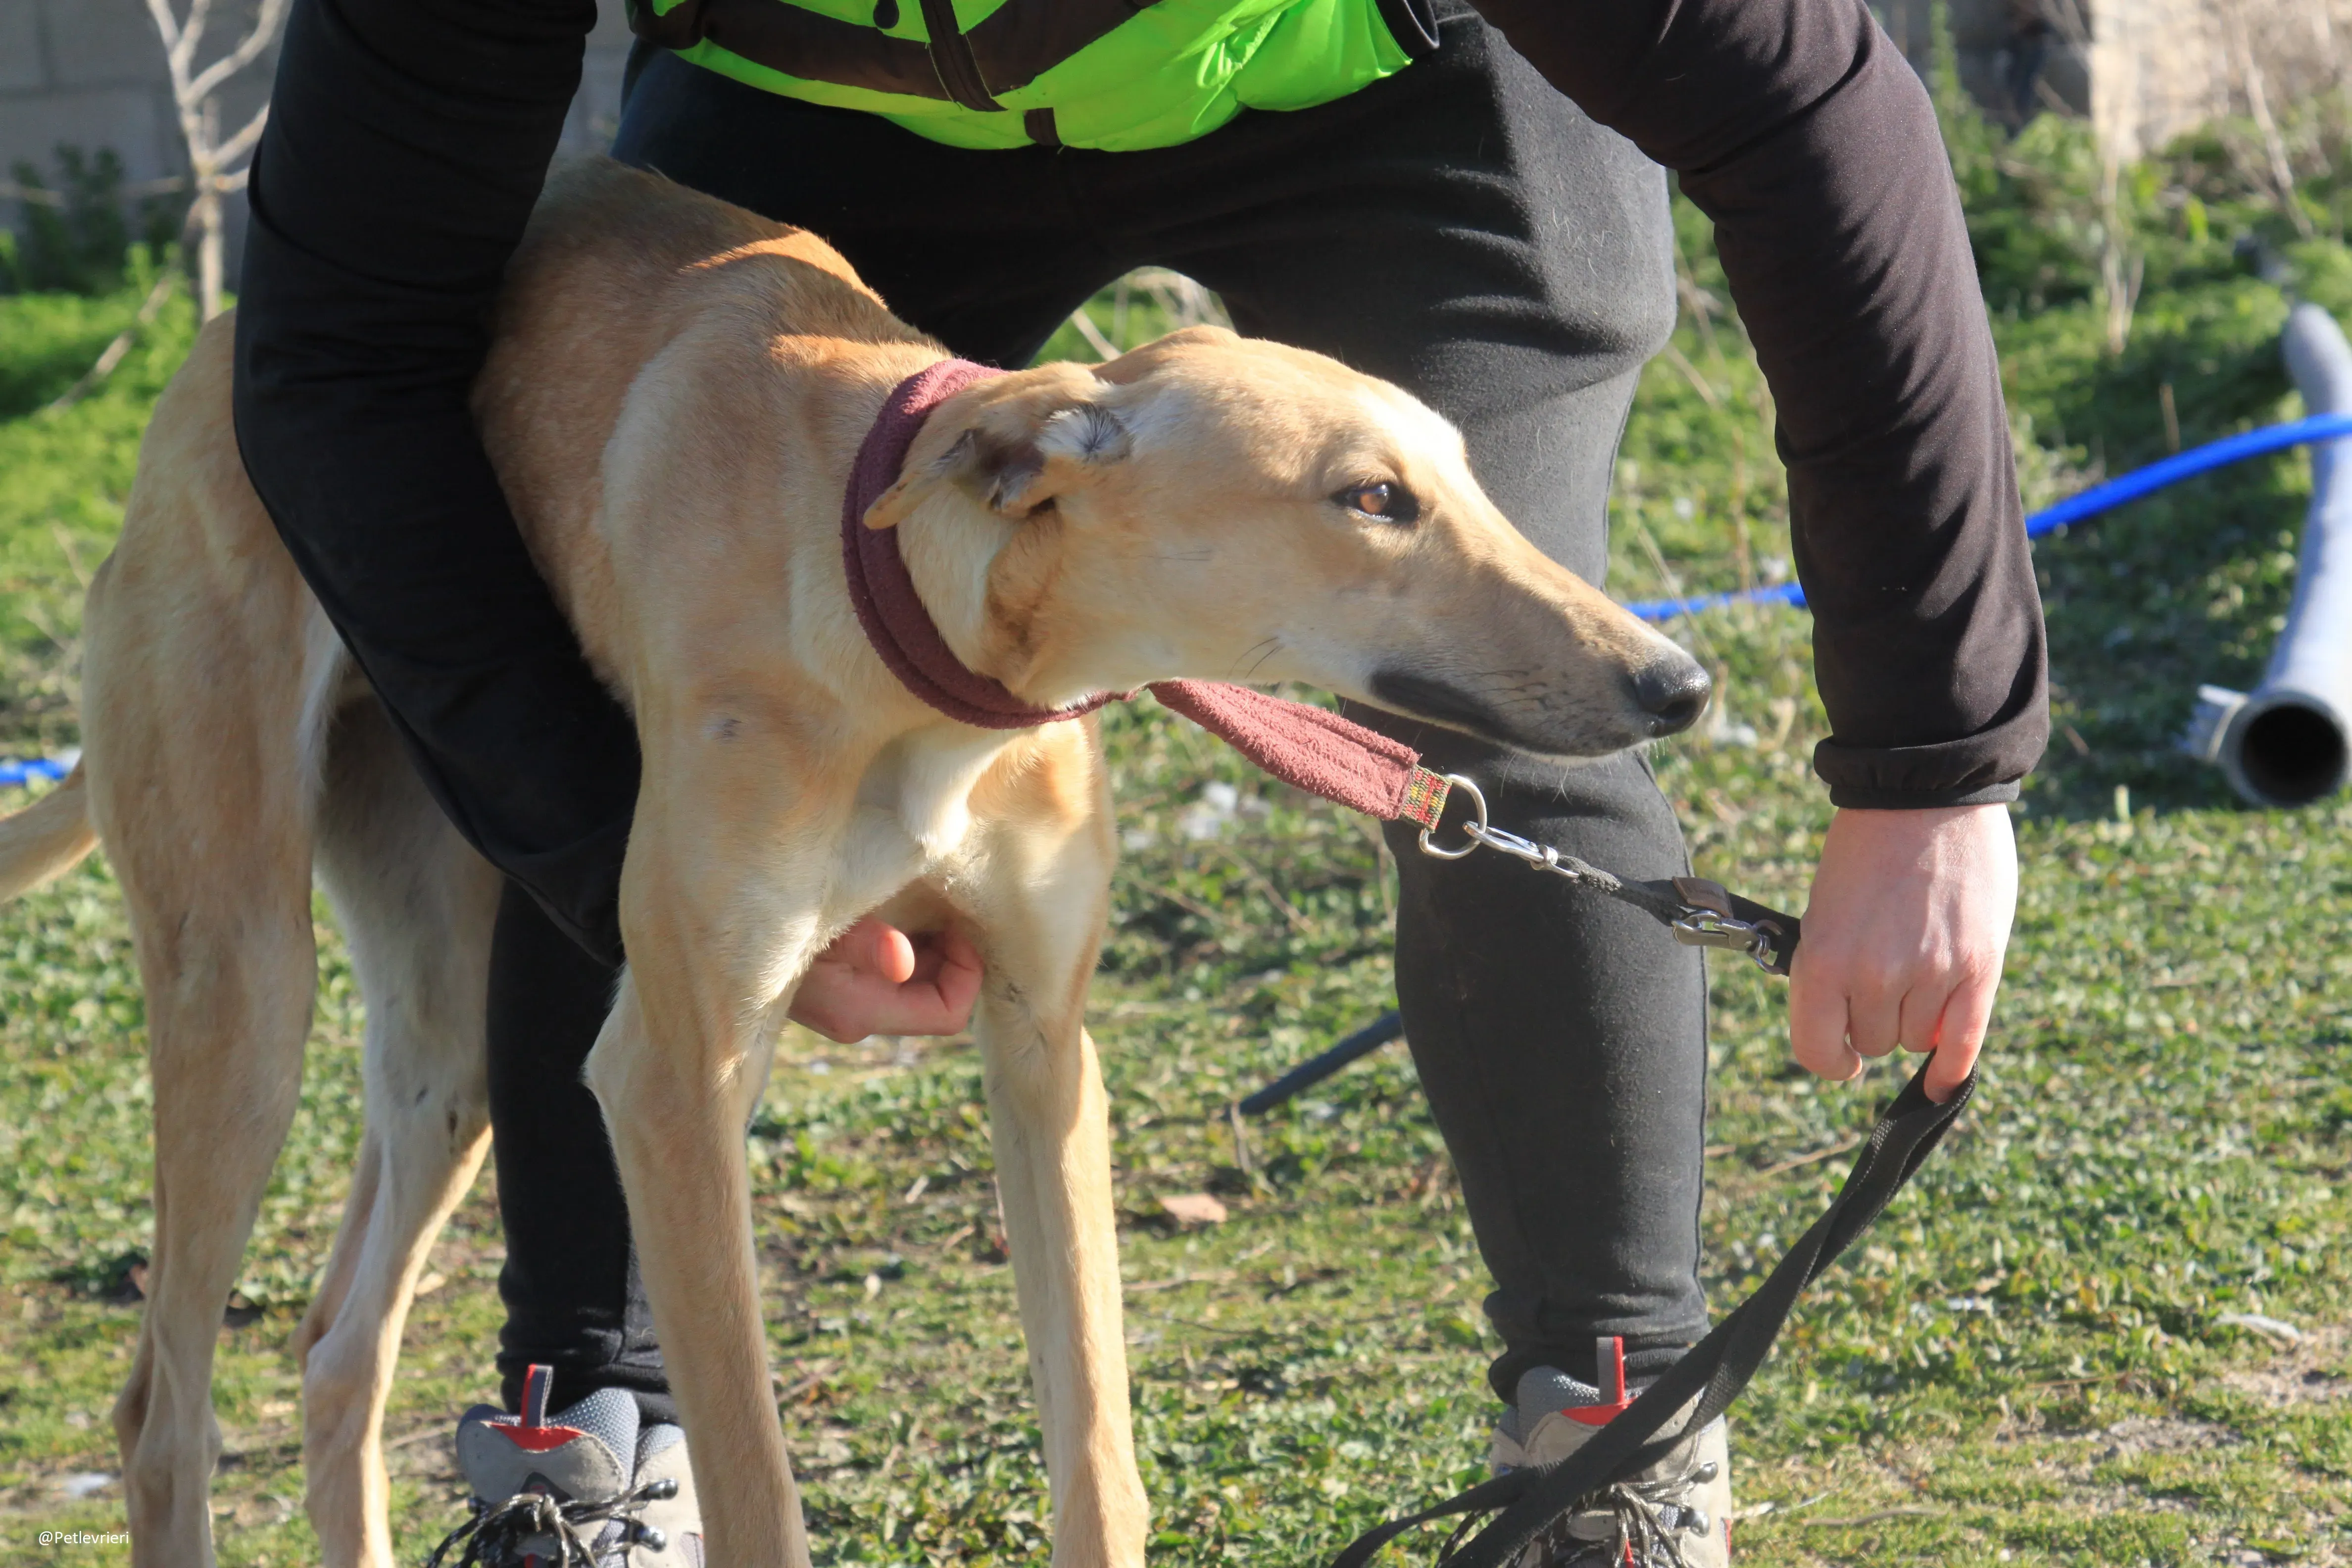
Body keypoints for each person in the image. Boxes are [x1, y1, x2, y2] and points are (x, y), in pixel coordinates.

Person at [232, 0, 2045, 1560]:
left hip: (1382, 88)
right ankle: (601, 1433)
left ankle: (1612, 1448)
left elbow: (1819, 111)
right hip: (837, 116)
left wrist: (1933, 766)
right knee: (656, 697)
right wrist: (603, 838)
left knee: (1498, 701)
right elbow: (339, 355)